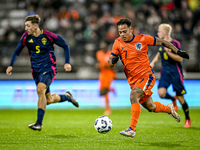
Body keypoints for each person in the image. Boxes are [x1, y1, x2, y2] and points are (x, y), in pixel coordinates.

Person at [108, 18, 189, 138]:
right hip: (133, 80)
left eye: (124, 31)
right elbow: (110, 62)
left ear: (131, 29)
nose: (122, 35)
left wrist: (177, 51)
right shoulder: (117, 43)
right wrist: (113, 61)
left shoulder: (142, 39)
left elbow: (163, 42)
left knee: (133, 96)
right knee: (151, 107)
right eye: (120, 32)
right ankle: (169, 109)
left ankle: (131, 129)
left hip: (146, 75)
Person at [6, 14, 79, 131]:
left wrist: (67, 62)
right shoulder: (26, 37)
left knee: (40, 89)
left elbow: (65, 45)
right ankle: (67, 97)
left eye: (28, 26)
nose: (26, 28)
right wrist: (11, 65)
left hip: (49, 68)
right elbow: (17, 51)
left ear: (35, 26)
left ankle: (39, 124)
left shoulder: (48, 36)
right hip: (36, 71)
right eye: (25, 26)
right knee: (48, 99)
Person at [150, 23, 191, 128]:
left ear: (164, 32)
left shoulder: (175, 43)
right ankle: (173, 98)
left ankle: (187, 118)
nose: (158, 33)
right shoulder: (161, 43)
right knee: (161, 93)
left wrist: (169, 53)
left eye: (159, 31)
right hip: (165, 73)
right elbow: (159, 54)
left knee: (181, 98)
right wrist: (153, 62)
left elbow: (180, 59)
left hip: (175, 73)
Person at [96, 40, 116, 115]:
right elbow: (100, 63)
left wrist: (106, 65)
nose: (102, 45)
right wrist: (99, 66)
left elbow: (113, 64)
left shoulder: (111, 53)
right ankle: (112, 89)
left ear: (106, 45)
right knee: (102, 92)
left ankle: (108, 109)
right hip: (102, 74)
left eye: (103, 44)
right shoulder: (98, 53)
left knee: (105, 91)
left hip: (109, 74)